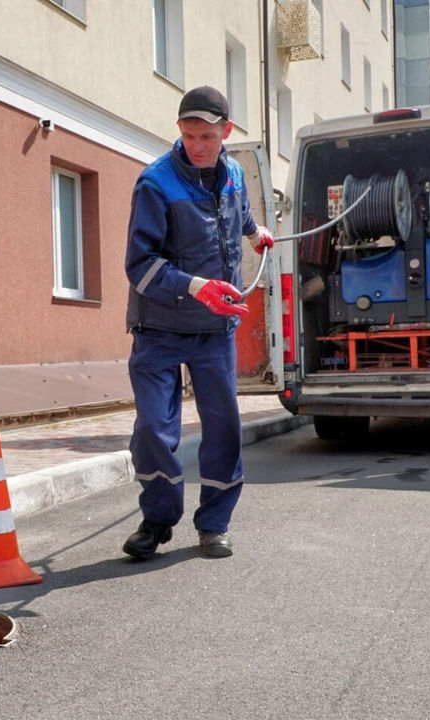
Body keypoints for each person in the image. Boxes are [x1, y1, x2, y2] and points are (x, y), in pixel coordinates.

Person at [122, 86, 274, 561]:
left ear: (226, 132)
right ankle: (158, 519)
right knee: (153, 430)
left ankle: (214, 524)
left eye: (207, 135)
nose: (198, 145)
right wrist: (195, 286)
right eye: (189, 135)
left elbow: (239, 216)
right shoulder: (155, 184)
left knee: (223, 427)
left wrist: (255, 234)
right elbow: (139, 266)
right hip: (158, 330)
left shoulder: (232, 174)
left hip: (213, 333)